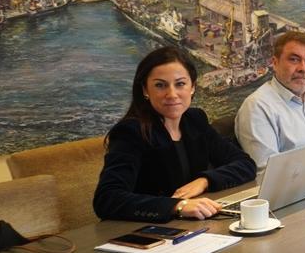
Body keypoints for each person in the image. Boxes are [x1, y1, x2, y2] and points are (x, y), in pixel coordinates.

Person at [94, 47, 256, 222]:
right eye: (160, 85)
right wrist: (176, 206)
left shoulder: (195, 120)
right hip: (152, 231)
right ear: (145, 90)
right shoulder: (131, 132)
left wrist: (205, 180)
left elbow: (245, 164)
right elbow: (107, 199)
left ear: (192, 87)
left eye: (180, 84)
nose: (172, 94)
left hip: (198, 223)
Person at [235, 30, 305, 168]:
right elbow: (267, 173)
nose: (303, 68)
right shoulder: (257, 107)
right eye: (294, 59)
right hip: (295, 188)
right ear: (275, 63)